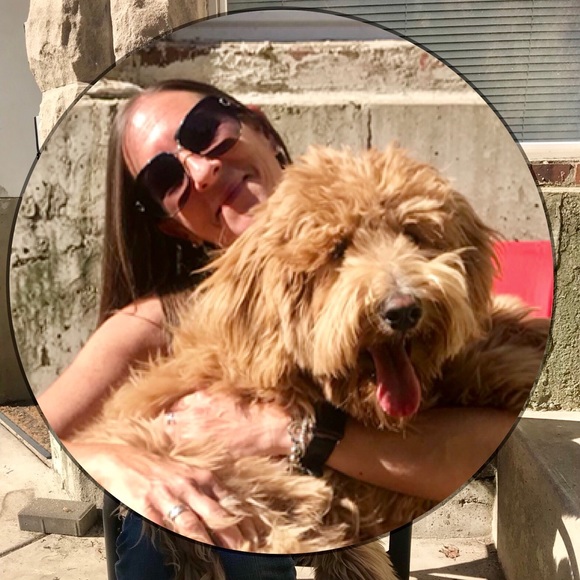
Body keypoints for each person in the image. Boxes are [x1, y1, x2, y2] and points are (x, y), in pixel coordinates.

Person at [37, 79, 518, 578]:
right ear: (172, 223)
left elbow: (491, 443)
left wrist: (292, 433)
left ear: (260, 128)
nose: (201, 170)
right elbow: (55, 427)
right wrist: (115, 459)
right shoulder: (156, 320)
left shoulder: (397, 229)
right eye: (165, 177)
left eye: (203, 130)